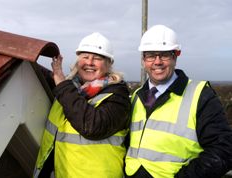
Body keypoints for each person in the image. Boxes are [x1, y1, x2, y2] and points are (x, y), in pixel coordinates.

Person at [125, 24, 232, 178]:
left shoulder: (200, 95)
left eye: (164, 55)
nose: (157, 62)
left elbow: (224, 149)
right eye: (150, 55)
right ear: (143, 60)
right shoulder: (136, 96)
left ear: (176, 56)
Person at [34, 32, 131, 178]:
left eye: (97, 58)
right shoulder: (72, 87)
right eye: (85, 57)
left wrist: (62, 84)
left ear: (108, 64)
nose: (90, 62)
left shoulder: (118, 96)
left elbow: (91, 126)